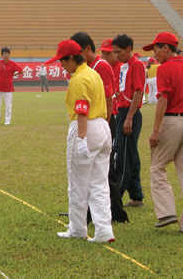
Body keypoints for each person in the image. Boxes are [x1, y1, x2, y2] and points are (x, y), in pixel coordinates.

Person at [47, 40, 114, 243]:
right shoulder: (93, 73)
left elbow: (82, 109)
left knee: (77, 182)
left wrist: (82, 139)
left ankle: (77, 228)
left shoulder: (78, 79)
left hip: (85, 128)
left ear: (71, 59)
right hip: (102, 126)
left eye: (62, 61)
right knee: (100, 184)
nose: (61, 66)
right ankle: (104, 229)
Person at [143, 32, 183, 235]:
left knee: (157, 167)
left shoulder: (165, 69)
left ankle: (166, 212)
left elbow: (162, 99)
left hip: (171, 122)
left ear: (166, 48)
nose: (155, 54)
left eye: (156, 50)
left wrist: (155, 131)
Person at [70, 32, 128, 224]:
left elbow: (109, 97)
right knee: (98, 172)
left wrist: (106, 123)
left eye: (79, 51)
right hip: (99, 122)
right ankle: (99, 215)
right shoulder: (90, 68)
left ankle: (117, 213)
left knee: (103, 173)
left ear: (87, 48)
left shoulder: (100, 67)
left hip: (101, 122)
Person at [112, 34, 146, 208]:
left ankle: (114, 201)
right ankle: (136, 196)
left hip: (129, 113)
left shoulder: (137, 65)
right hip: (123, 112)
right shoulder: (125, 66)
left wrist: (129, 118)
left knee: (123, 157)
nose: (116, 55)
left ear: (129, 49)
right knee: (132, 155)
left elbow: (139, 92)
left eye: (119, 52)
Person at [0, 47, 23, 125]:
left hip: (8, 88)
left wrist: (16, 73)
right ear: (2, 55)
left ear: (9, 54)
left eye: (7, 53)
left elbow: (21, 71)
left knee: (8, 105)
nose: (5, 55)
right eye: (4, 54)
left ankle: (7, 120)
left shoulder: (12, 64)